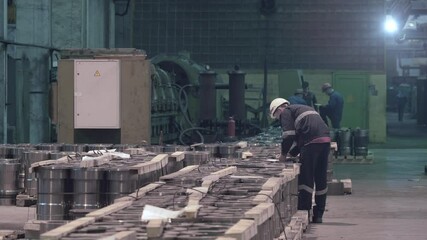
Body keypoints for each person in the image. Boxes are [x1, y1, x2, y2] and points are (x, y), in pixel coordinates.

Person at [269, 98, 331, 223]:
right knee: (320, 177)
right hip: (325, 141)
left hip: (311, 143)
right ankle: (319, 214)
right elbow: (301, 138)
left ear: (279, 109)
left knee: (306, 177)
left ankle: (305, 209)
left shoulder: (286, 111)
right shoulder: (302, 109)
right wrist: (292, 154)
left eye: (277, 117)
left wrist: (283, 155)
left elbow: (289, 135)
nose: (280, 120)